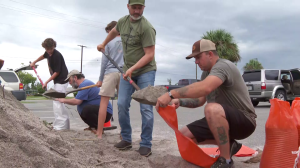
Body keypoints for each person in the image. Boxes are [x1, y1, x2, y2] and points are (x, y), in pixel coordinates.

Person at [155, 39, 257, 168]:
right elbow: (199, 100)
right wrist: (179, 101)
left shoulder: (223, 66)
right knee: (183, 136)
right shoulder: (206, 73)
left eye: (198, 57)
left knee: (211, 109)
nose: (196, 62)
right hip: (221, 118)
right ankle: (230, 145)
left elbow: (205, 87)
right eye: (195, 59)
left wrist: (171, 94)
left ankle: (226, 161)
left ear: (210, 54)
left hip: (244, 121)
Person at [97, 0, 156, 157]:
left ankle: (145, 144)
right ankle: (127, 139)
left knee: (146, 108)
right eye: (134, 7)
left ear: (144, 7)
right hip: (128, 70)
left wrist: (132, 69)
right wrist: (103, 43)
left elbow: (150, 55)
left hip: (145, 71)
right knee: (122, 104)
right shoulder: (122, 21)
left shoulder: (147, 28)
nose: (137, 11)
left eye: (140, 8)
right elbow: (113, 32)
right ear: (128, 6)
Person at [30, 38, 70, 130]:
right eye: (47, 49)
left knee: (58, 101)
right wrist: (34, 62)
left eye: (50, 49)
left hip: (62, 80)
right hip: (57, 81)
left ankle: (61, 126)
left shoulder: (57, 56)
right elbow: (43, 56)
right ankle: (62, 125)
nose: (49, 51)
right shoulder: (47, 53)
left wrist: (46, 82)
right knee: (57, 102)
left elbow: (57, 72)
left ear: (54, 47)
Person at [96, 21, 124, 139]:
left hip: (110, 72)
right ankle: (124, 133)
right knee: (123, 104)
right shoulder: (127, 41)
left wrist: (100, 79)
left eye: (108, 33)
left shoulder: (107, 43)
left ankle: (99, 133)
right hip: (124, 73)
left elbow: (104, 62)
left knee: (103, 103)